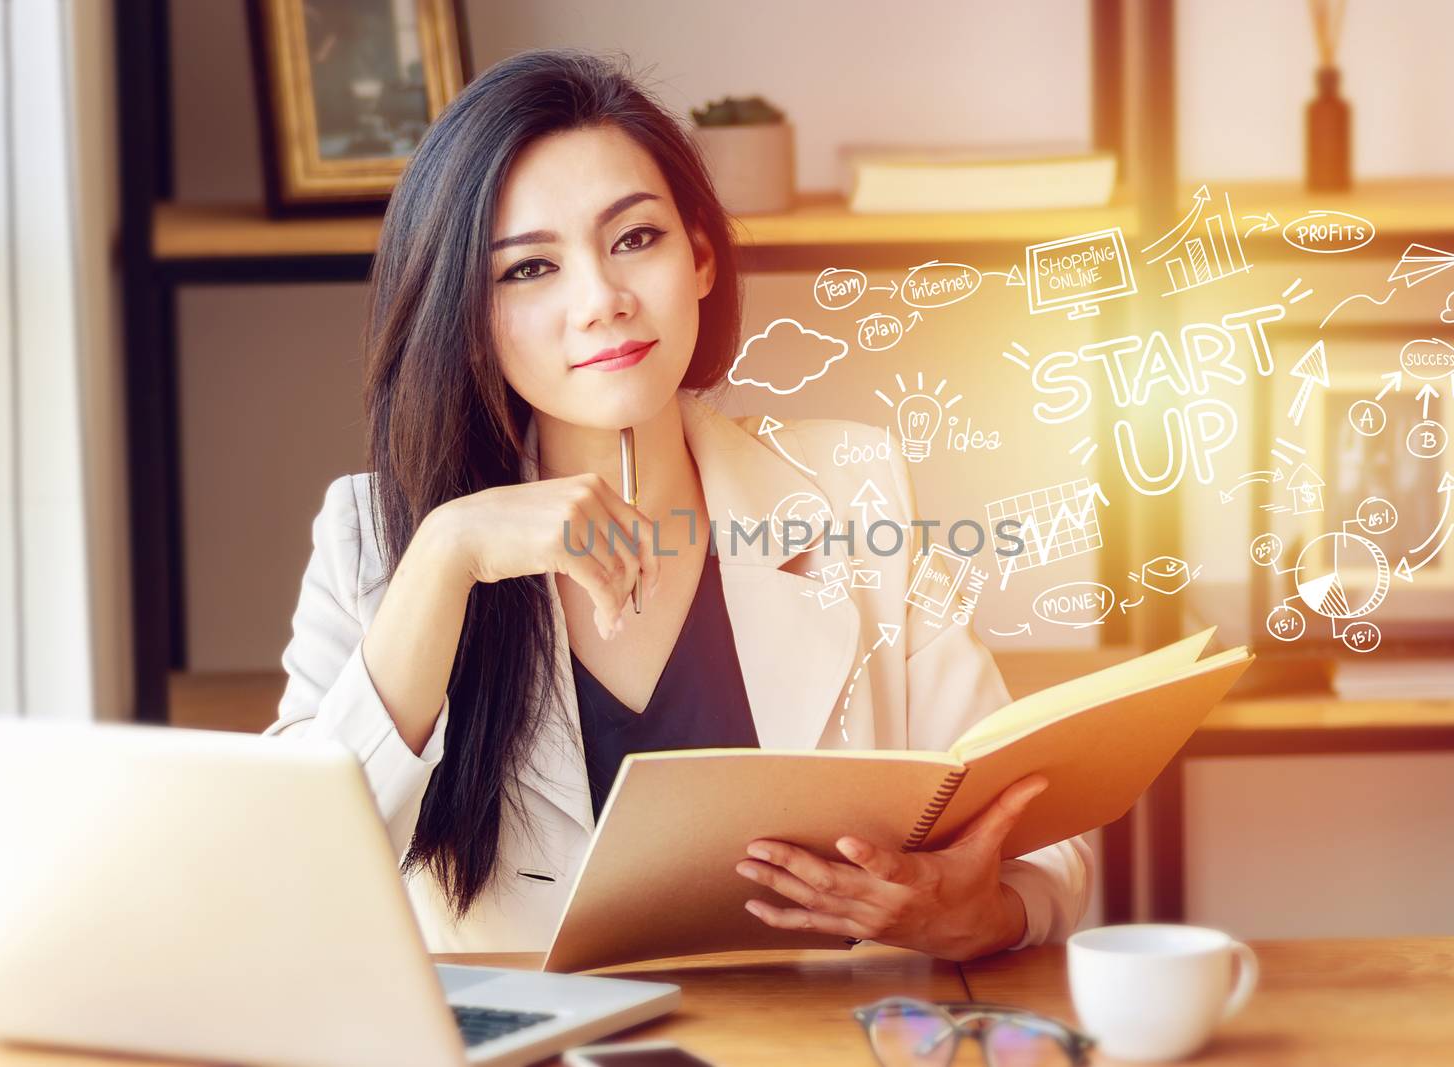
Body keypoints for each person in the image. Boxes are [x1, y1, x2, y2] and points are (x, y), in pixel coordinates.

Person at [266, 48, 1093, 960]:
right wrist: (448, 555)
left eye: (634, 239)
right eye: (529, 270)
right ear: (468, 313)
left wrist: (977, 912)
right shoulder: (378, 540)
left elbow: (1033, 831)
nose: (603, 301)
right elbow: (294, 873)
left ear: (700, 255)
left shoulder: (851, 489)